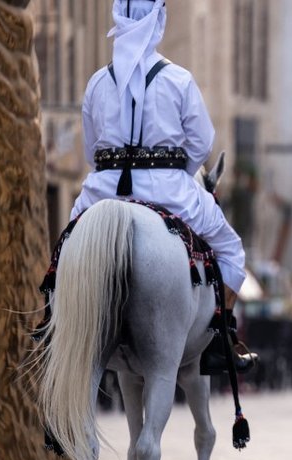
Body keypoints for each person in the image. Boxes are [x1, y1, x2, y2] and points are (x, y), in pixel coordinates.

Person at [68, 0, 255, 374]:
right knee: (232, 251)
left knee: (65, 251)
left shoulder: (98, 82)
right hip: (169, 189)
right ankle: (220, 337)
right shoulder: (178, 79)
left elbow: (91, 148)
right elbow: (201, 143)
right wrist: (178, 174)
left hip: (102, 189)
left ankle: (52, 325)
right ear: (160, 20)